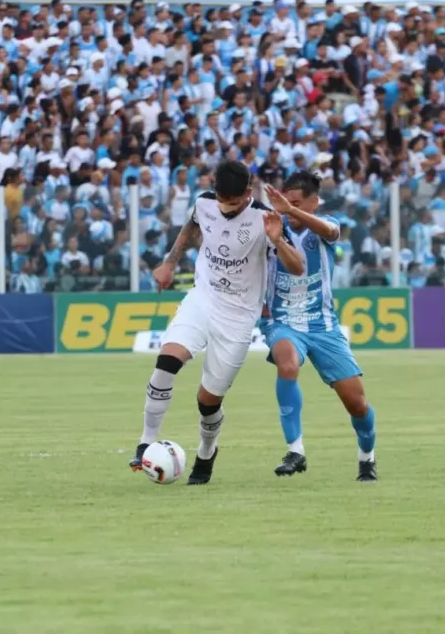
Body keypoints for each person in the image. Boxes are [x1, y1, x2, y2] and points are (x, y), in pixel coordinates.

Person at [129, 160, 304, 485]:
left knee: (208, 401)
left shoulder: (266, 218)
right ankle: (145, 443)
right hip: (202, 298)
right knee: (166, 362)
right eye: (224, 201)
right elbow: (191, 228)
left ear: (247, 193)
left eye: (235, 203)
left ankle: (207, 454)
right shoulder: (205, 203)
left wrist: (278, 241)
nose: (227, 208)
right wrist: (169, 263)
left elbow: (298, 267)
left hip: (238, 315)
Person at [262, 173, 378, 483]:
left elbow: (330, 230)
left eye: (296, 204)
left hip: (323, 325)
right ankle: (295, 450)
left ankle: (367, 457)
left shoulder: (326, 227)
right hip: (283, 321)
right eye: (285, 203)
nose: (288, 210)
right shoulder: (272, 227)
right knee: (287, 365)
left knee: (357, 404)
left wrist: (292, 211)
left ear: (315, 202)